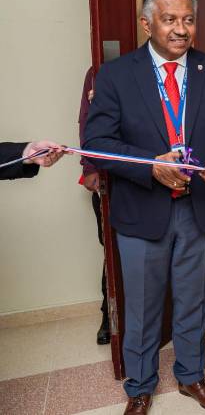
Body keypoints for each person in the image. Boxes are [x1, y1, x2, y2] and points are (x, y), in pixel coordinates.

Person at [84, 0, 205, 415]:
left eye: (188, 19)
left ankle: (192, 376)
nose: (181, 29)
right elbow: (97, 141)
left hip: (199, 208)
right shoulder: (115, 75)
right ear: (146, 23)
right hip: (142, 209)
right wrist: (149, 165)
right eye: (170, 19)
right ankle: (140, 386)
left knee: (193, 300)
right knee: (141, 305)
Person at [78, 66, 110, 345]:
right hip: (107, 177)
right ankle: (108, 315)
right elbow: (85, 120)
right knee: (110, 249)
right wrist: (90, 167)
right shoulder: (98, 71)